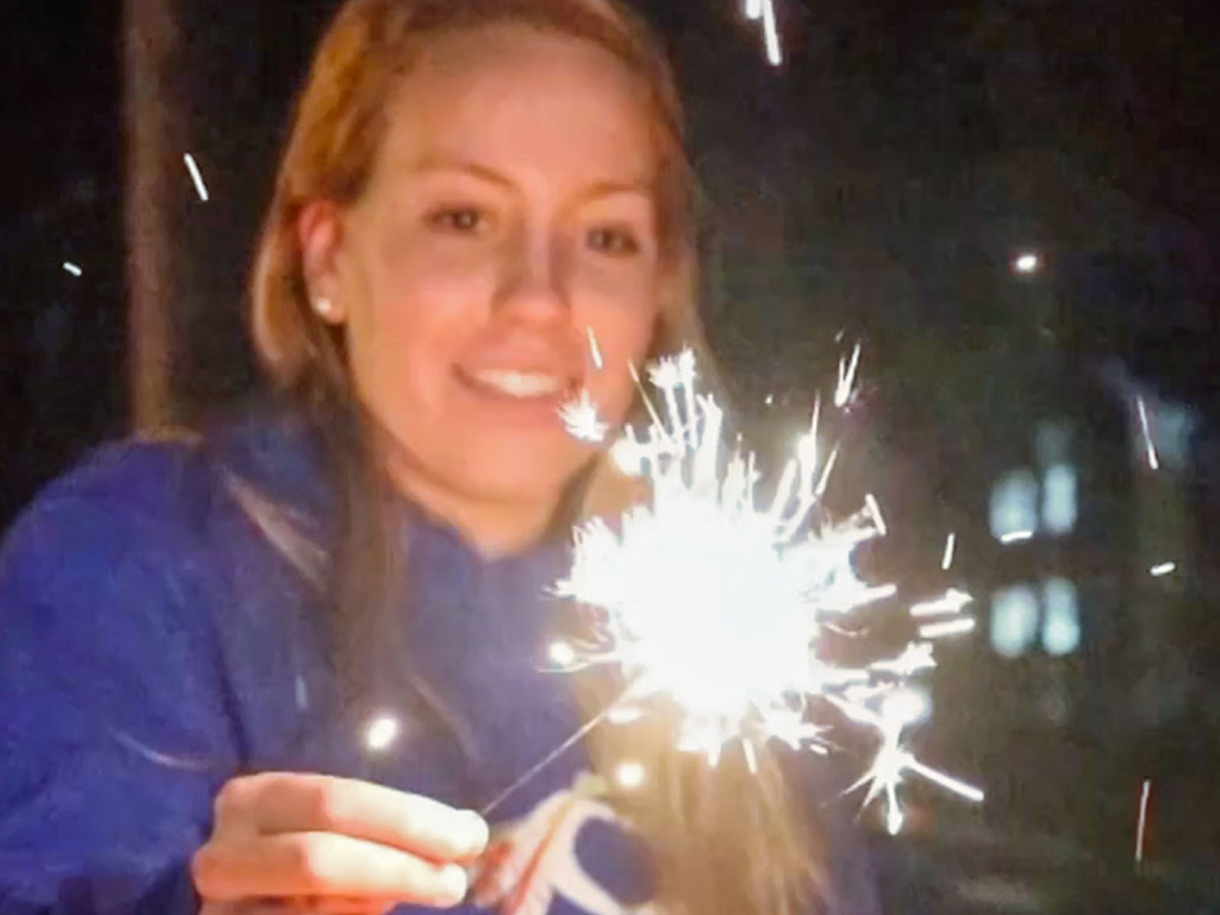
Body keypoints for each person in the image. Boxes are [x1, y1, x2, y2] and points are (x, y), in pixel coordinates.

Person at [0, 1, 880, 913]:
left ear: (659, 291)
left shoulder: (731, 636)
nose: (539, 297)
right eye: (464, 217)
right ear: (329, 256)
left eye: (606, 234)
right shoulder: (137, 565)